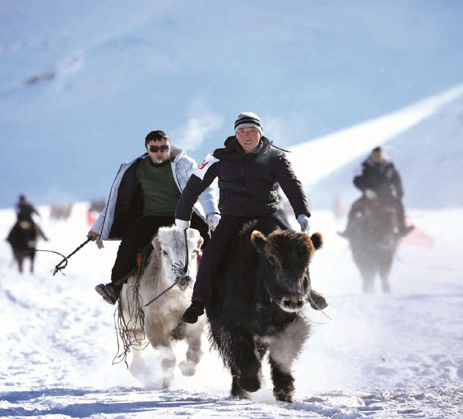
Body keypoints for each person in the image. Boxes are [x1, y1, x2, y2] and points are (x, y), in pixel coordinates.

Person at [177, 112, 327, 324]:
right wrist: (182, 216)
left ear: (260, 133)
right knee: (211, 254)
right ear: (236, 134)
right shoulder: (218, 158)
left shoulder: (275, 157)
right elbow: (195, 185)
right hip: (231, 217)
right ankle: (198, 302)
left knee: (296, 247)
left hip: (267, 215)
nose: (247, 136)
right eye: (242, 131)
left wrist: (302, 212)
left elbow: (292, 184)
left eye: (252, 131)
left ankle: (307, 291)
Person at [91, 130, 219, 305]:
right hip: (152, 217)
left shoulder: (183, 164)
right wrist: (96, 228)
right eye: (154, 148)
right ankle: (115, 286)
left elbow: (203, 187)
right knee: (129, 242)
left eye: (164, 148)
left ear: (169, 146)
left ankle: (223, 283)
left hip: (182, 214)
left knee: (213, 239)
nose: (159, 152)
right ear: (147, 149)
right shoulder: (136, 169)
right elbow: (115, 202)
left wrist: (212, 214)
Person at [339, 146, 413, 237]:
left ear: (382, 155)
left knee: (398, 205)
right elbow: (356, 180)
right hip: (369, 197)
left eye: (379, 155)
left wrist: (399, 193)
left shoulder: (389, 166)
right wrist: (366, 190)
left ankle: (402, 228)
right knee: (354, 207)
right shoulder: (365, 167)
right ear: (371, 156)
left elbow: (397, 180)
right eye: (375, 156)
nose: (377, 157)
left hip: (387, 196)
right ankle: (349, 230)